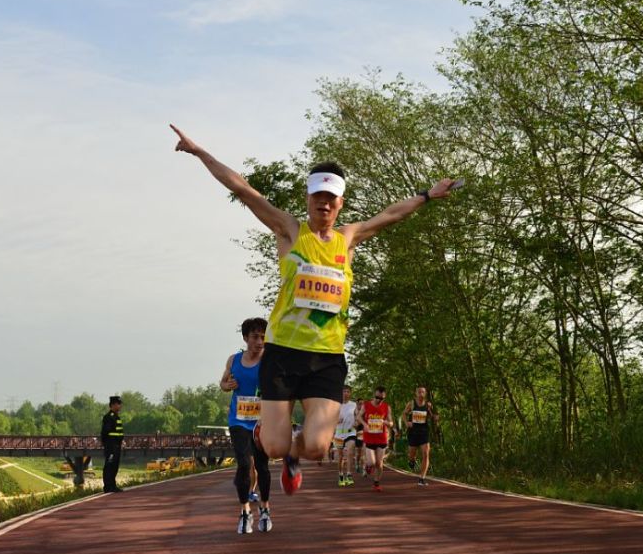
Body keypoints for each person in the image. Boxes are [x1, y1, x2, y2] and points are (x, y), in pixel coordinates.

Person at [171, 124, 459, 496]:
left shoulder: (348, 238)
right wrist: (199, 152)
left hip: (326, 357)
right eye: (318, 197)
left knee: (319, 448)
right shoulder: (289, 231)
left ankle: (295, 455)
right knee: (274, 447)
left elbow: (390, 215)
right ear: (308, 198)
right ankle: (281, 447)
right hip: (284, 354)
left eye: (331, 199)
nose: (324, 204)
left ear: (340, 203)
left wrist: (427, 196)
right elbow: (242, 188)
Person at [220, 317, 273, 534]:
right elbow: (223, 383)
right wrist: (227, 385)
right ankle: (245, 511)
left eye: (263, 337)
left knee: (262, 466)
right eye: (255, 337)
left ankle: (265, 508)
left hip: (262, 421)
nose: (259, 341)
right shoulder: (233, 360)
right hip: (238, 420)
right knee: (243, 464)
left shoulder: (270, 360)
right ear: (245, 338)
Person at [357, 386, 394, 492]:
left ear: (384, 397)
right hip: (369, 437)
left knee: (379, 463)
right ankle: (368, 465)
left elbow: (391, 423)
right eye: (377, 397)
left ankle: (376, 482)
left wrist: (385, 422)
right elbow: (359, 417)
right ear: (374, 394)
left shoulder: (387, 407)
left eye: (381, 398)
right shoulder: (366, 405)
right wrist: (364, 424)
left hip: (381, 438)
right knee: (372, 462)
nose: (379, 400)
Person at [402, 386, 439, 486]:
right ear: (416, 393)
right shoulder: (412, 403)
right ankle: (412, 461)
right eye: (419, 392)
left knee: (426, 453)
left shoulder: (428, 405)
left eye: (423, 392)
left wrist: (435, 418)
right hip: (413, 432)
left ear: (425, 393)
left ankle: (422, 478)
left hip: (424, 432)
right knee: (412, 454)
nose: (421, 394)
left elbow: (431, 416)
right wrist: (406, 423)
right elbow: (404, 414)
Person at [334, 385, 358, 486]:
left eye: (348, 391)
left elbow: (358, 416)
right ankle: (340, 475)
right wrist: (336, 420)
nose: (346, 393)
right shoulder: (335, 405)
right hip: (339, 433)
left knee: (350, 453)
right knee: (340, 457)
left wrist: (357, 422)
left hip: (351, 432)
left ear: (350, 393)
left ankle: (349, 474)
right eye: (344, 391)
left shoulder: (354, 405)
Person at [100, 395, 124, 493]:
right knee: (109, 465)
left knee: (115, 465)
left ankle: (112, 485)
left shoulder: (116, 417)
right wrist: (107, 444)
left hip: (116, 445)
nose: (120, 406)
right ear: (113, 405)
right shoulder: (109, 417)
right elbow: (105, 432)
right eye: (118, 404)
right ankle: (108, 486)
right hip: (111, 445)